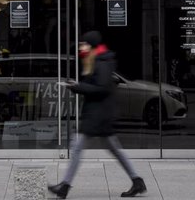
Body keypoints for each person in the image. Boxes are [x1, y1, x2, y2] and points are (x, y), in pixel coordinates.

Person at [48, 31, 147, 199]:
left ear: (92, 45)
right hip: (99, 112)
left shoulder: (102, 62)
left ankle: (64, 187)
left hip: (99, 114)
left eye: (83, 44)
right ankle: (137, 181)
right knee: (114, 149)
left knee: (78, 147)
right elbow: (94, 85)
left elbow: (102, 89)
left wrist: (77, 87)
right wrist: (77, 85)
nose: (81, 47)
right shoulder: (96, 60)